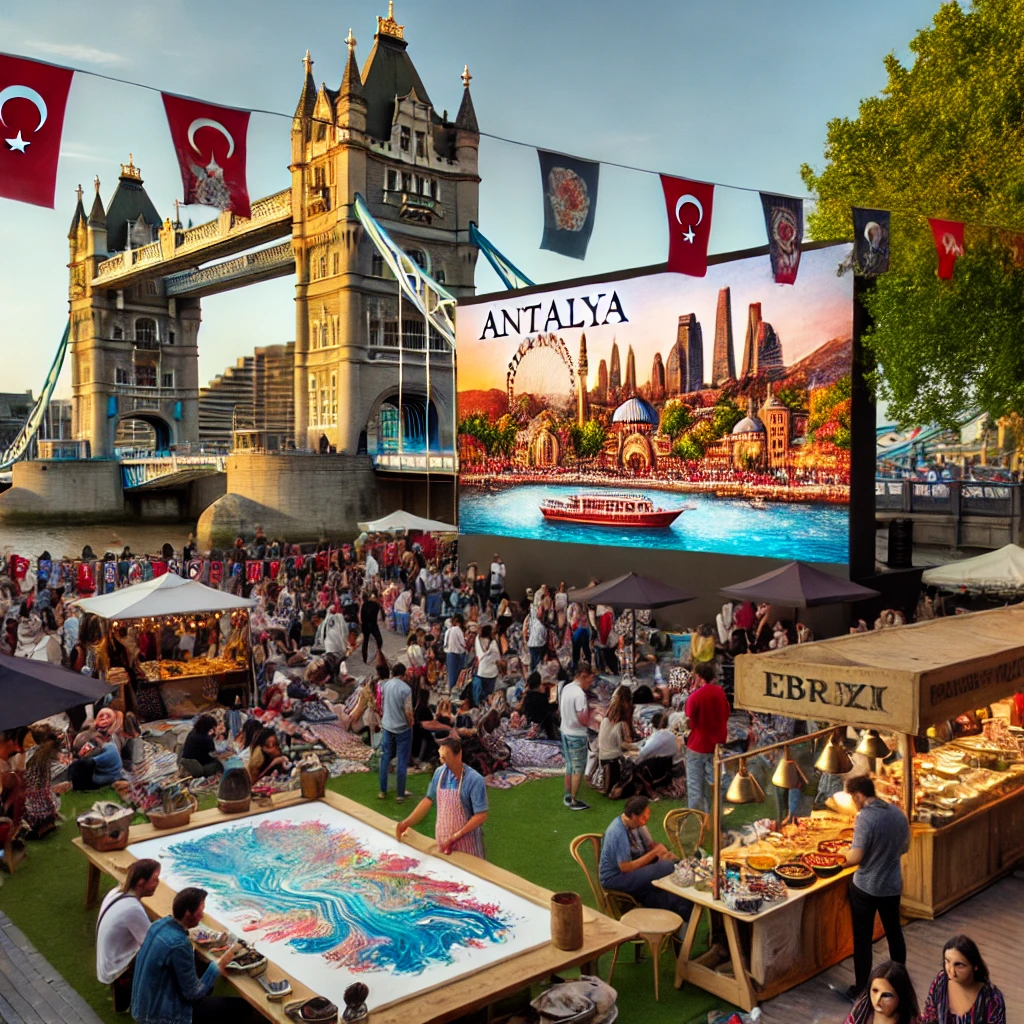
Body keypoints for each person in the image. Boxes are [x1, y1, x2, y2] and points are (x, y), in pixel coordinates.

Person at [130, 887, 247, 1024]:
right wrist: (218, 966)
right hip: (158, 1016)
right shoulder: (179, 944)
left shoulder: (158, 925)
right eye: (200, 912)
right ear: (187, 913)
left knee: (202, 977)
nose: (202, 916)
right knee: (241, 1007)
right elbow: (193, 994)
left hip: (141, 1007)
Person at [841, 774, 910, 1001]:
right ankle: (900, 980)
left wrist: (843, 855)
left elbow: (856, 856)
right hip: (891, 885)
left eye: (852, 797)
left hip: (867, 888)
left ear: (859, 795)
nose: (852, 802)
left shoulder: (865, 819)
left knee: (863, 939)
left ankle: (861, 989)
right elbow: (905, 847)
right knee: (894, 932)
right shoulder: (897, 814)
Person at [599, 795, 691, 918]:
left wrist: (662, 853)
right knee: (665, 866)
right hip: (616, 877)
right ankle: (687, 873)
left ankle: (683, 911)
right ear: (633, 816)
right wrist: (654, 854)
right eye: (643, 816)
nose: (646, 819)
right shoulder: (618, 832)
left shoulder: (636, 825)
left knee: (672, 887)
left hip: (634, 869)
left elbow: (651, 846)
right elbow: (625, 867)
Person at [396, 735, 489, 857]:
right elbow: (428, 800)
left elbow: (481, 815)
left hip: (467, 847)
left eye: (447, 758)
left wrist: (455, 837)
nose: (444, 763)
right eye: (442, 759)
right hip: (444, 845)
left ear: (459, 755)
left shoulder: (474, 780)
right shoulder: (439, 773)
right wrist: (405, 823)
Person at [97, 858, 161, 1012]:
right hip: (115, 967)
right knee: (164, 956)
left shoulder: (116, 892)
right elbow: (151, 946)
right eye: (154, 880)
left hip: (106, 961)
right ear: (140, 882)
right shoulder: (133, 908)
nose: (158, 883)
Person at [920, 935, 1006, 1024]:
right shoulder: (941, 981)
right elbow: (929, 1015)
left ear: (975, 966)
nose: (951, 971)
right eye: (947, 961)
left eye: (959, 965)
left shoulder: (992, 999)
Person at [684, 661, 730, 813]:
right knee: (716, 785)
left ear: (698, 676)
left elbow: (689, 721)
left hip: (697, 746)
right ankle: (714, 819)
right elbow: (726, 714)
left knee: (695, 787)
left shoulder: (695, 697)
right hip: (715, 746)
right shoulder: (720, 693)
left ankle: (697, 823)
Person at [560, 662, 596, 811]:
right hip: (576, 735)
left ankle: (568, 795)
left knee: (570, 766)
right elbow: (583, 719)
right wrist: (593, 716)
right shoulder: (580, 695)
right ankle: (573, 801)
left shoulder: (567, 688)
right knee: (577, 768)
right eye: (590, 679)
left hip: (565, 731)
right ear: (583, 676)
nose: (591, 682)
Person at [378, 663, 413, 802]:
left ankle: (382, 790)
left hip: (387, 726)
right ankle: (400, 794)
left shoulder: (385, 685)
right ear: (403, 675)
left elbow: (382, 704)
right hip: (402, 728)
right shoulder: (406, 689)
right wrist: (411, 723)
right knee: (402, 760)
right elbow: (408, 711)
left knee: (385, 758)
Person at [843, 961, 920, 1024]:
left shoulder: (911, 1020)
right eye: (874, 991)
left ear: (901, 997)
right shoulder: (862, 1006)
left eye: (886, 995)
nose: (877, 999)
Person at [598, 685, 635, 796]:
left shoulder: (607, 717)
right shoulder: (622, 722)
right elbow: (625, 744)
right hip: (614, 760)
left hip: (604, 760)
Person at [179, 715, 224, 779]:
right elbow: (214, 753)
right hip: (198, 767)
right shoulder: (206, 739)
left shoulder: (192, 732)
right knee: (220, 764)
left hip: (187, 764)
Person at [518, 671, 557, 740]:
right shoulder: (543, 699)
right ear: (540, 684)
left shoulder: (527, 698)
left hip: (528, 731)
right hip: (542, 734)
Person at [472, 623, 501, 707]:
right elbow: (497, 658)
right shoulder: (493, 644)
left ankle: (479, 707)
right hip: (491, 673)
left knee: (480, 694)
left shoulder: (477, 640)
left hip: (481, 671)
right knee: (489, 695)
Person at [443, 614, 466, 692]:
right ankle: (454, 689)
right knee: (456, 672)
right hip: (457, 653)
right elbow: (463, 642)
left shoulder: (448, 630)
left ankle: (450, 689)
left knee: (451, 673)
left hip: (448, 653)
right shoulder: (457, 629)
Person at [359, 589, 383, 663]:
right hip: (372, 624)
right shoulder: (375, 605)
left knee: (365, 642)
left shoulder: (364, 605)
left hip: (365, 625)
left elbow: (362, 617)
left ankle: (365, 658)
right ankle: (378, 654)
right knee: (379, 640)